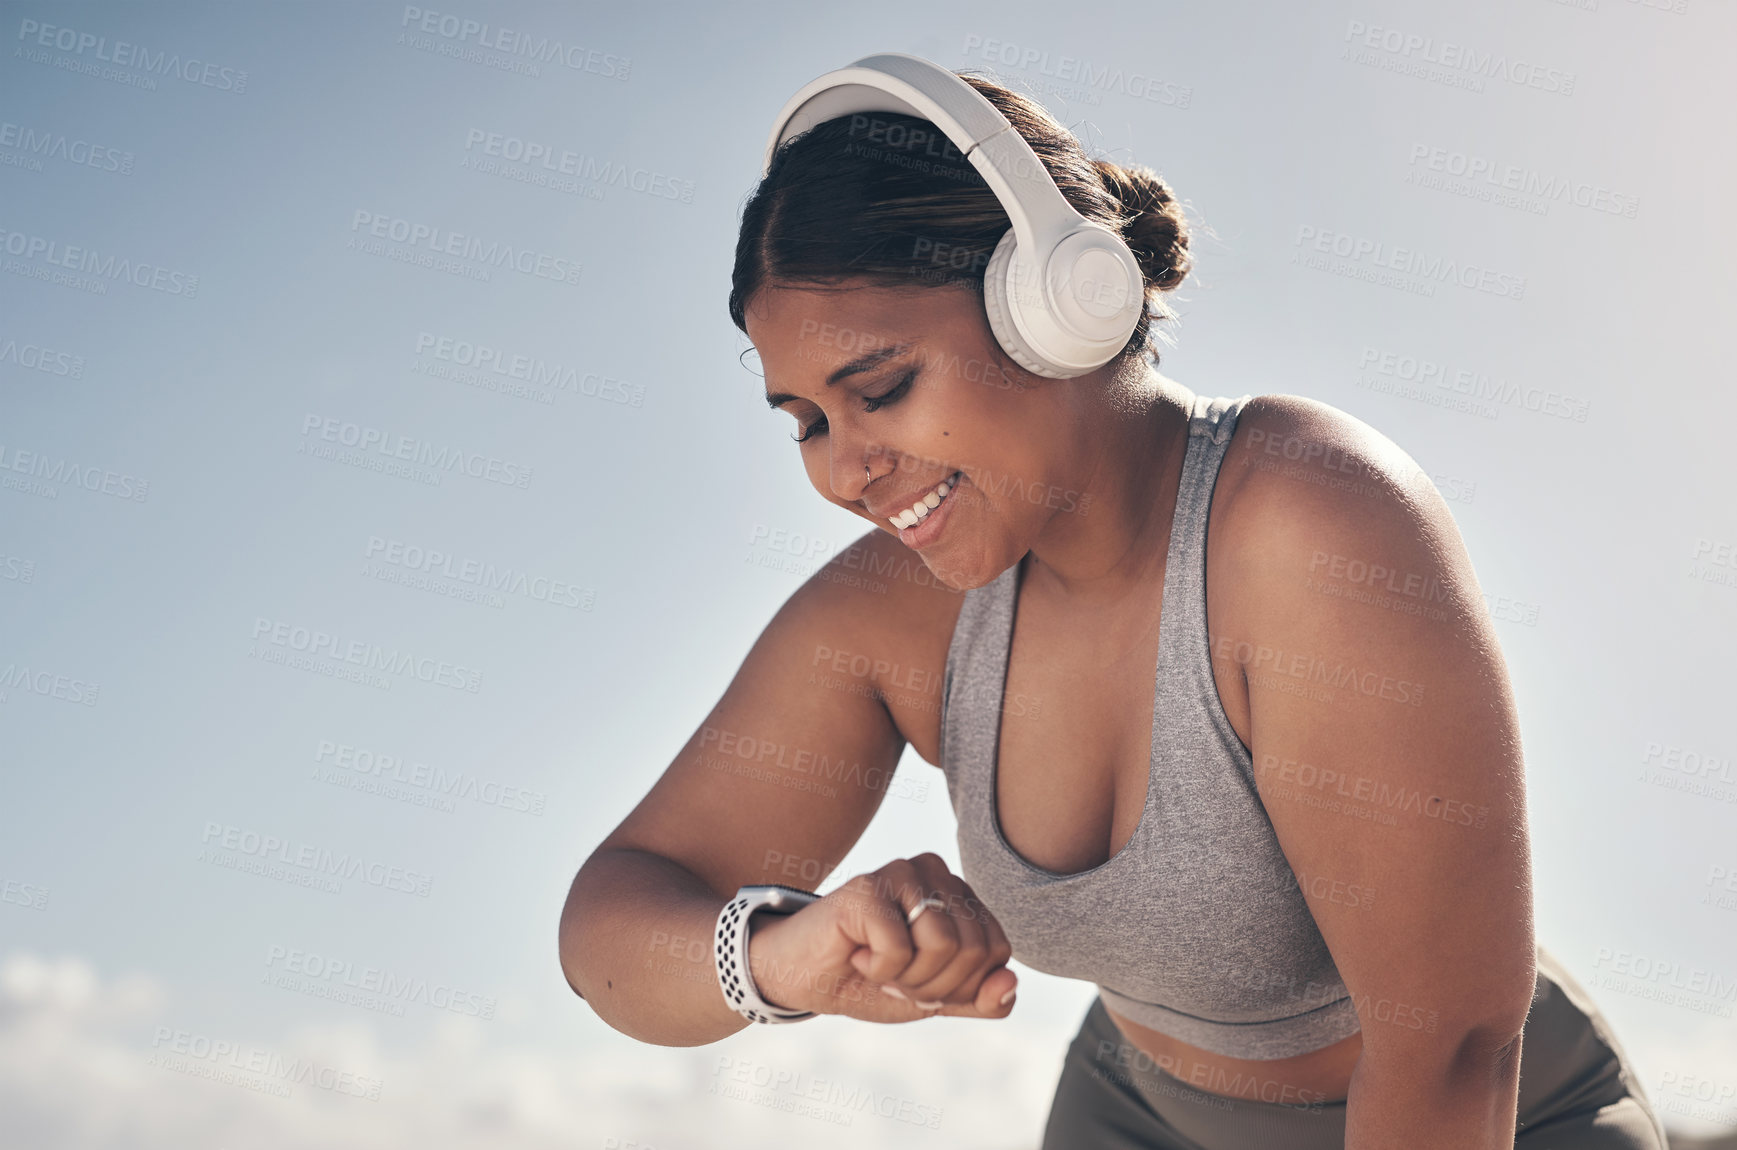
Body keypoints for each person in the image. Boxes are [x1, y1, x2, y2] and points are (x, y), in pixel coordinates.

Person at [558, 59, 1669, 1150]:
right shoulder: (894, 619)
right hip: (1137, 1113)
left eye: (882, 389)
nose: (846, 471)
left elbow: (1451, 1045)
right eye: (806, 422)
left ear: (1056, 303)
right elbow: (609, 924)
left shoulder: (1309, 525)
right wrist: (778, 953)